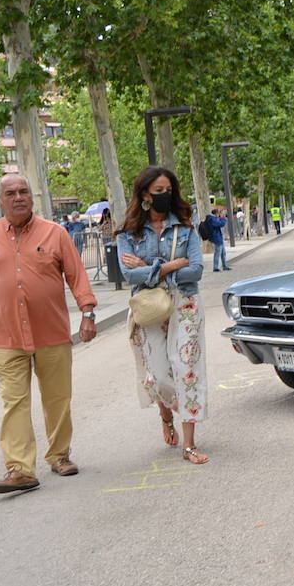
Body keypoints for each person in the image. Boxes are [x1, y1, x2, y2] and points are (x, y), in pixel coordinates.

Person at [0, 174, 98, 494]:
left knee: (57, 399)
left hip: (51, 333)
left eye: (23, 191)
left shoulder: (55, 234)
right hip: (5, 336)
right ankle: (19, 468)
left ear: (31, 197)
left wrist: (88, 314)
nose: (18, 197)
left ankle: (59, 455)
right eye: (10, 193)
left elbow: (76, 276)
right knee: (14, 402)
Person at [117, 167, 210, 465]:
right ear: (145, 194)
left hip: (185, 303)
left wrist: (149, 267)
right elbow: (128, 273)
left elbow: (196, 269)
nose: (164, 196)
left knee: (186, 369)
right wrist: (168, 266)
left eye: (168, 190)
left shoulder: (185, 228)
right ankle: (165, 413)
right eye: (158, 191)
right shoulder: (129, 232)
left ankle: (189, 444)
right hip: (150, 306)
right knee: (157, 374)